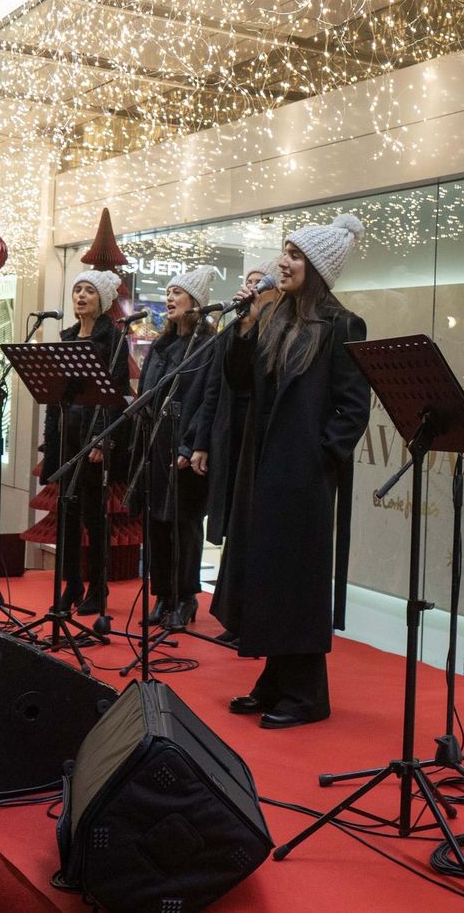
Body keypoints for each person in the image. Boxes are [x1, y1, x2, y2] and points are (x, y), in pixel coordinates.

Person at [218, 216, 370, 729]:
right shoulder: (272, 316)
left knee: (297, 583)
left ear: (318, 268)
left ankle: (307, 694)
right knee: (270, 576)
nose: (283, 261)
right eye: (284, 251)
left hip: (303, 475)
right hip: (262, 468)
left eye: (295, 255)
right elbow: (240, 383)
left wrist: (321, 460)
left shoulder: (342, 324)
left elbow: (353, 408)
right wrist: (241, 324)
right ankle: (276, 680)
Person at [191, 263, 276, 645]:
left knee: (256, 532)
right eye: (249, 283)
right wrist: (201, 442)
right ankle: (233, 615)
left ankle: (251, 618)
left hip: (262, 442)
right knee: (234, 531)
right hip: (232, 437)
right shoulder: (235, 331)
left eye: (261, 284)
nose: (253, 290)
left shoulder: (278, 332)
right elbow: (215, 388)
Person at [39, 270, 130, 617]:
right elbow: (54, 396)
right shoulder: (67, 338)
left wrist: (102, 441)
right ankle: (72, 583)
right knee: (68, 514)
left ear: (103, 300)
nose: (80, 296)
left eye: (89, 291)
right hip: (67, 436)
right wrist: (51, 440)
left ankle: (98, 586)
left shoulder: (115, 341)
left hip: (93, 439)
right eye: (77, 289)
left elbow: (115, 395)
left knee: (93, 516)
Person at [132, 267, 216, 630]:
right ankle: (163, 595)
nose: (169, 299)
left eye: (177, 293)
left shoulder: (207, 344)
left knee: (184, 525)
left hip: (184, 446)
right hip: (156, 444)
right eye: (168, 292)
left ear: (195, 302)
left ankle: (185, 597)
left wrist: (191, 442)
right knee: (157, 525)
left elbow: (206, 398)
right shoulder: (161, 346)